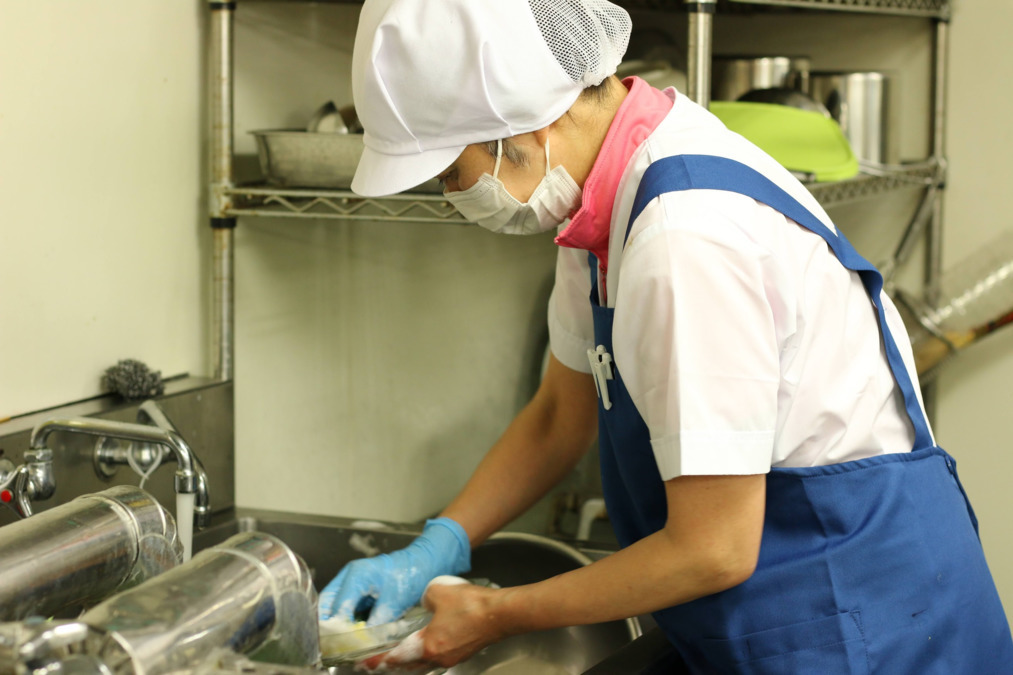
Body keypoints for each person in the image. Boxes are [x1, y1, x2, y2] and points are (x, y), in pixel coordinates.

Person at [318, 0, 1013, 671]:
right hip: (790, 607)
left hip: (871, 625)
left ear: (518, 127)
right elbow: (561, 414)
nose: (451, 196)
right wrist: (441, 541)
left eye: (450, 172)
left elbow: (712, 549)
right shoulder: (593, 194)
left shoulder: (684, 234)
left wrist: (497, 613)